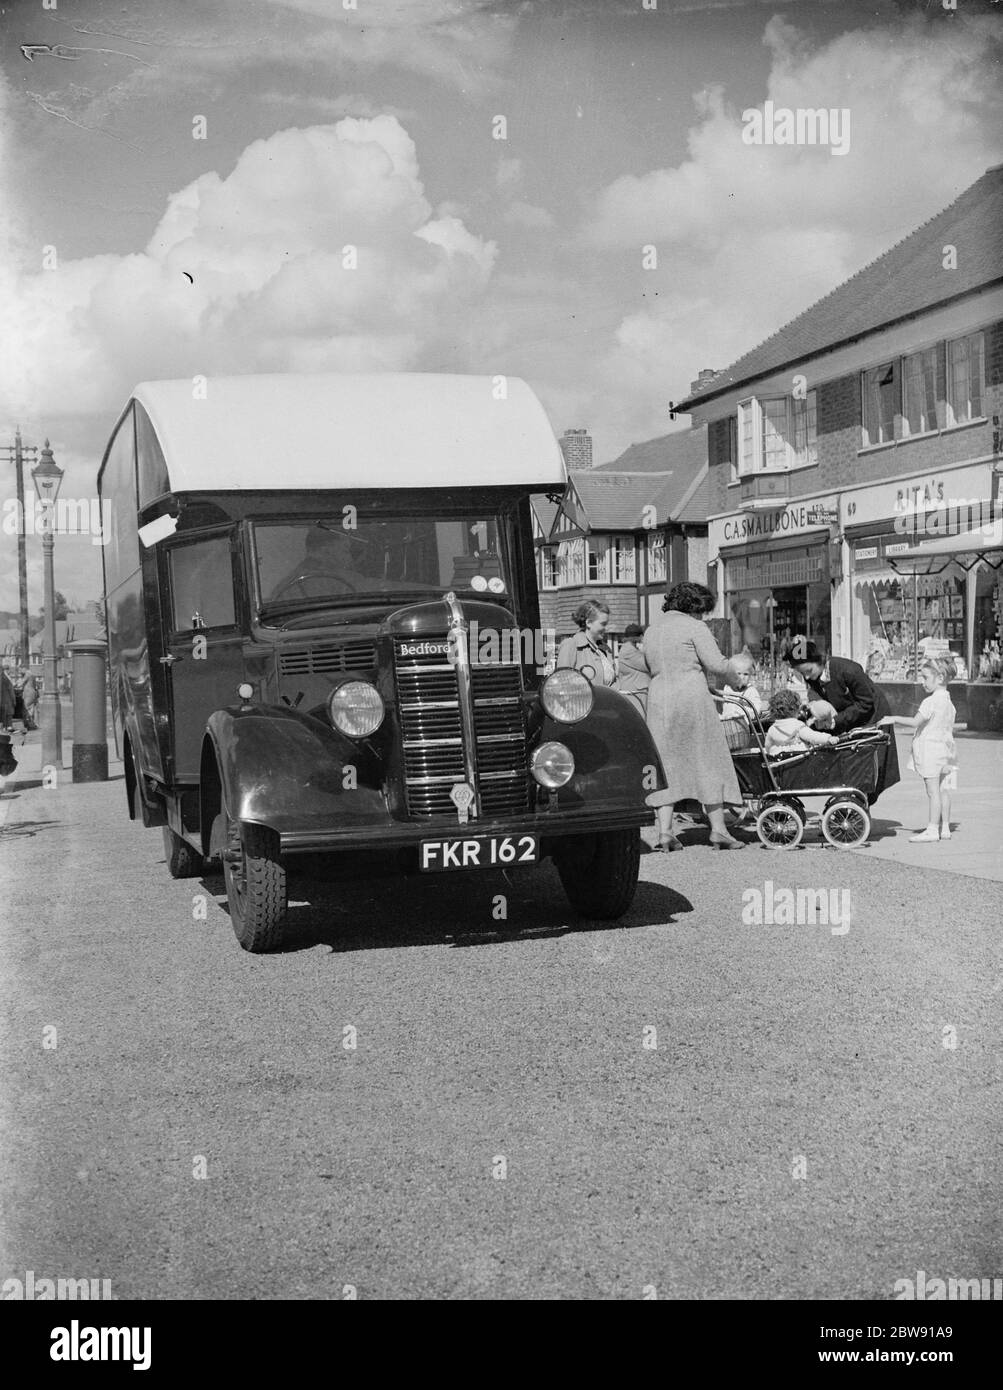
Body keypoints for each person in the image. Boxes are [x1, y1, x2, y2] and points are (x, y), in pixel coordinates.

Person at [644, 581, 744, 851]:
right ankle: (719, 830)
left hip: (658, 701)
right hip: (691, 700)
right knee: (708, 760)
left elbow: (652, 668)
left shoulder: (652, 630)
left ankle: (665, 833)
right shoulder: (694, 627)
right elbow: (716, 663)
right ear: (694, 607)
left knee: (665, 765)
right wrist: (737, 681)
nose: (703, 616)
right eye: (702, 610)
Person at [789, 639, 900, 803]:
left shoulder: (848, 670)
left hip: (872, 716)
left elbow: (866, 703)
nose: (806, 676)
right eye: (802, 673)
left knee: (866, 766)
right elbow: (815, 693)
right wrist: (817, 707)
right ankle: (852, 804)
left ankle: (858, 806)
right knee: (847, 762)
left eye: (808, 670)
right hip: (848, 715)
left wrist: (837, 720)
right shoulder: (812, 674)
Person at [878, 657, 957, 842]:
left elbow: (915, 722)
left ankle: (932, 829)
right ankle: (945, 827)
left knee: (933, 791)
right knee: (945, 789)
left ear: (940, 678)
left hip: (931, 750)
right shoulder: (949, 703)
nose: (923, 683)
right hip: (948, 750)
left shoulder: (930, 702)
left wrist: (893, 718)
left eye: (925, 678)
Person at [271, 526, 362, 600]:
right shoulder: (349, 580)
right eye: (345, 551)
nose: (349, 557)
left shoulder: (284, 588)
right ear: (327, 551)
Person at [556, 600, 617, 687]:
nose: (606, 628)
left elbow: (614, 682)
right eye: (603, 624)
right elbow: (562, 684)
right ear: (588, 623)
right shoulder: (571, 645)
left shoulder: (606, 649)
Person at [764, 689, 839, 756]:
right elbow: (813, 736)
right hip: (800, 763)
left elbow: (768, 747)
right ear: (794, 710)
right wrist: (828, 738)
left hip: (780, 763)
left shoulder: (772, 729)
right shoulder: (798, 726)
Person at [615, 623, 650, 715]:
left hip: (638, 692)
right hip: (635, 693)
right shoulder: (628, 651)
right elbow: (647, 665)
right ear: (637, 636)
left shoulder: (632, 649)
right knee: (639, 720)